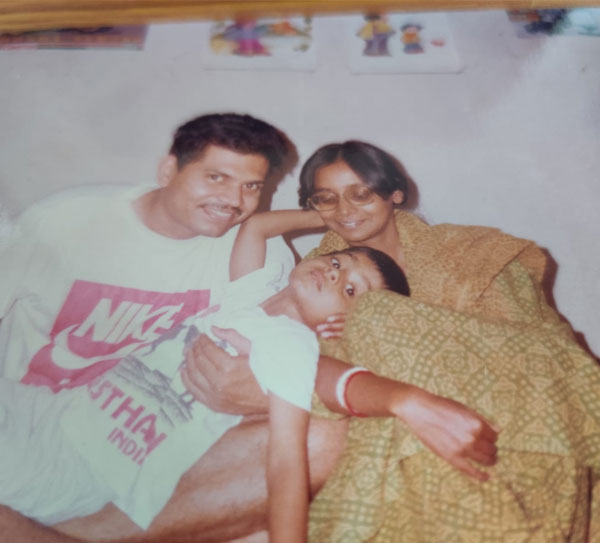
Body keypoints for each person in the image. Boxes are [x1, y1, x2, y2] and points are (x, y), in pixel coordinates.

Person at [0, 119, 499, 543]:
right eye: (338, 262)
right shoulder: (247, 291)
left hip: (84, 463)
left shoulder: (290, 344)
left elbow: (288, 461)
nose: (334, 274)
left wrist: (405, 399)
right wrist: (335, 212)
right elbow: (256, 229)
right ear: (169, 170)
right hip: (51, 408)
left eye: (349, 290)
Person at [182, 140, 600, 542]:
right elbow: (304, 362)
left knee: (375, 312)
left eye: (361, 194)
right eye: (326, 198)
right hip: (373, 418)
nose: (345, 209)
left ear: (395, 193)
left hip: (499, 415)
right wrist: (330, 217)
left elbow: (538, 352)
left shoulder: (474, 255)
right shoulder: (314, 277)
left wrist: (370, 327)